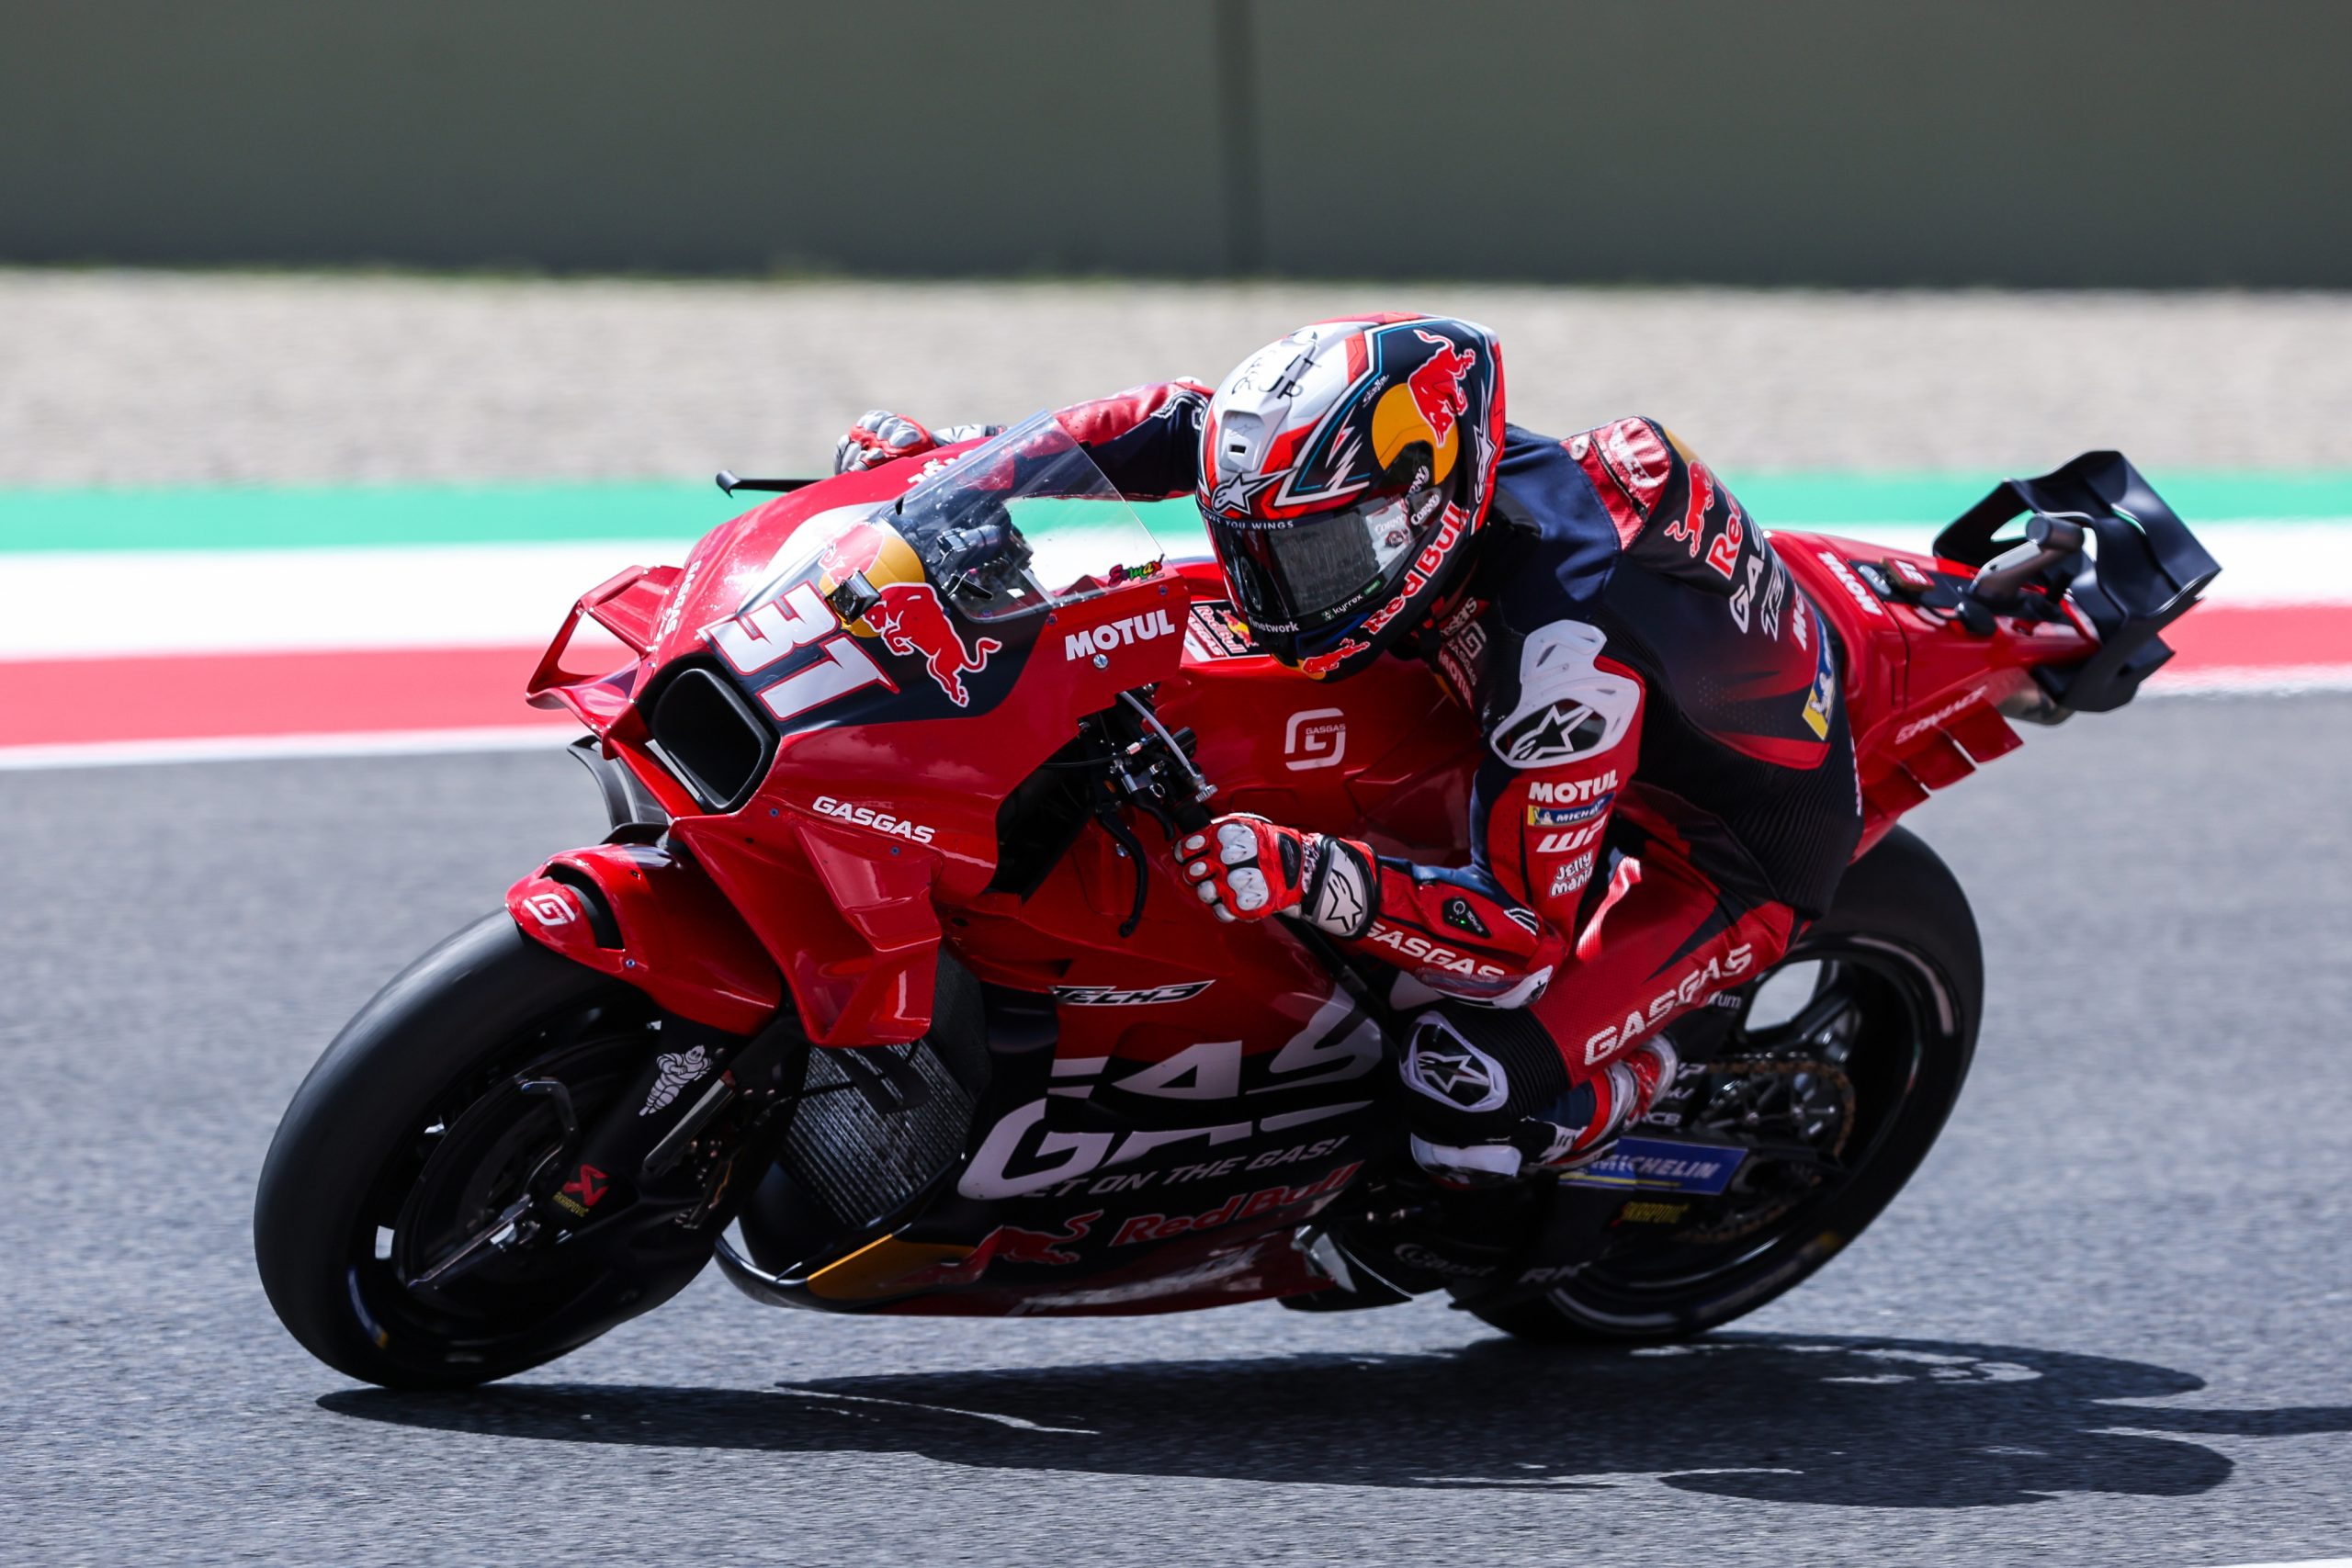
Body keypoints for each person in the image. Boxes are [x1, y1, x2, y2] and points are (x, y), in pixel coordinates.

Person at [834, 314, 1860, 1193]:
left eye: (1318, 555)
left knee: (1464, 1091)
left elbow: (1514, 937)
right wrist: (953, 475)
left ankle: (1661, 1077)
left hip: (1725, 853)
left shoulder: (1558, 665)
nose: (1271, 591)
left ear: (1428, 501)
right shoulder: (1378, 463)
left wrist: (1308, 872)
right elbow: (1161, 423)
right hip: (1641, 685)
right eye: (1256, 548)